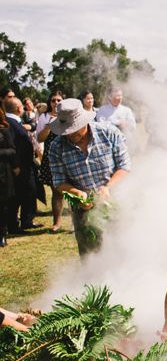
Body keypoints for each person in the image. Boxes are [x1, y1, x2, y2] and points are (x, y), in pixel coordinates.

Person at [48, 98, 130, 256]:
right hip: (83, 212)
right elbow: (59, 182)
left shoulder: (108, 133)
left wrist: (108, 187)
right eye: (66, 130)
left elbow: (124, 166)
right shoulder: (56, 147)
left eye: (74, 129)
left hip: (116, 204)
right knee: (90, 256)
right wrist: (78, 194)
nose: (70, 134)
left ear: (84, 122)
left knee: (122, 253)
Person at [4, 98, 39, 233]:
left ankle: (26, 220)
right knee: (19, 195)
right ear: (19, 108)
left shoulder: (13, 121)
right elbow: (13, 145)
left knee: (28, 193)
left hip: (25, 165)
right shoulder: (10, 123)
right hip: (20, 167)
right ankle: (15, 224)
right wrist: (15, 165)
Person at [36, 90, 65, 232]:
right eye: (53, 100)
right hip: (51, 157)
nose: (56, 103)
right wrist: (48, 126)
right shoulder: (44, 117)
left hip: (67, 154)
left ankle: (75, 222)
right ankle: (57, 223)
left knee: (74, 189)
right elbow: (40, 139)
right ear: (49, 102)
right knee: (56, 191)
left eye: (59, 100)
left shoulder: (67, 115)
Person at [0, 108, 19, 247]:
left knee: (2, 205)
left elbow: (12, 150)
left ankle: (2, 233)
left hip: (2, 173)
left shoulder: (4, 130)